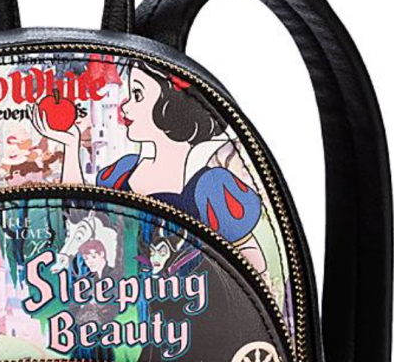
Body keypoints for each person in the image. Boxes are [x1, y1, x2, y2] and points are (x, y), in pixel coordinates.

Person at [31, 62, 266, 274]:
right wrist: (71, 146)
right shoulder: (124, 171)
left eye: (137, 94)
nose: (124, 105)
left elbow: (253, 262)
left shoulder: (211, 187)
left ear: (170, 105)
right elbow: (80, 217)